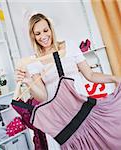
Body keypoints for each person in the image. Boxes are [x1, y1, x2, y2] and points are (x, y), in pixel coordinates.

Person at [15, 13, 121, 150]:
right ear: (33, 36)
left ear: (51, 29)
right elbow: (43, 97)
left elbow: (90, 75)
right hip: (61, 118)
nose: (43, 36)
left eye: (45, 30)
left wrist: (113, 78)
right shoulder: (33, 62)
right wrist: (28, 81)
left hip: (82, 108)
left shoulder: (69, 46)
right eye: (38, 33)